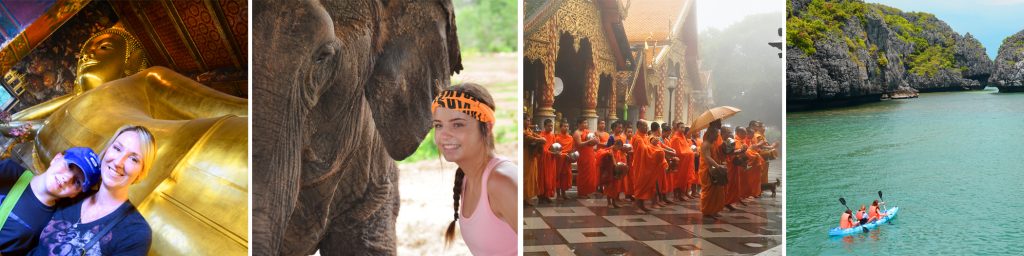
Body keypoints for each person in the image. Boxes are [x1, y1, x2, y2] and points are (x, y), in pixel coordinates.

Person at [29, 125, 156, 255]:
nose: (118, 162)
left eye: (133, 159)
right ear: (107, 150)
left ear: (141, 173)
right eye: (117, 148)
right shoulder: (75, 194)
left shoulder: (136, 232)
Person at [432, 84, 517, 255]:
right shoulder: (465, 177)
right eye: (438, 125)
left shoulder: (501, 182)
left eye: (457, 125)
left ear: (486, 127)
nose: (443, 135)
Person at [0, 147, 100, 255]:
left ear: (75, 194)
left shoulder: (51, 227)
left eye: (77, 182)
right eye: (69, 166)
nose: (67, 179)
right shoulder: (8, 170)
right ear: (56, 158)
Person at [699, 120, 730, 218]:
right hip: (707, 169)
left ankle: (714, 209)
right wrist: (718, 166)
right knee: (709, 192)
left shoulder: (713, 143)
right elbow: (707, 157)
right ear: (711, 134)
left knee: (718, 191)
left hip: (714, 168)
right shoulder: (706, 144)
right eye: (716, 134)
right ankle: (707, 211)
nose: (717, 136)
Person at [523, 115, 546, 206]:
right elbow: (528, 138)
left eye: (529, 121)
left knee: (532, 176)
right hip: (524, 155)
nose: (529, 122)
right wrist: (539, 139)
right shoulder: (522, 131)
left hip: (531, 155)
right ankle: (523, 197)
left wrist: (540, 139)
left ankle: (527, 197)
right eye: (527, 120)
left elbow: (535, 136)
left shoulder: (529, 130)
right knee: (525, 176)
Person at [573, 119, 599, 199]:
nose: (586, 124)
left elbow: (593, 141)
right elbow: (579, 144)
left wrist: (596, 140)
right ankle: (581, 192)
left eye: (586, 122)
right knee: (583, 173)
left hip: (590, 153)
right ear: (579, 124)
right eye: (584, 122)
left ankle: (587, 191)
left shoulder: (588, 132)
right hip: (582, 155)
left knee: (590, 172)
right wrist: (589, 141)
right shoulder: (577, 133)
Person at [554, 121, 575, 201]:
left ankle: (564, 193)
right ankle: (558, 194)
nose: (566, 128)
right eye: (564, 126)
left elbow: (572, 149)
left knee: (566, 176)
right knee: (559, 175)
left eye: (567, 126)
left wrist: (571, 155)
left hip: (567, 160)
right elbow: (555, 150)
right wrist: (562, 154)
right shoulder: (557, 138)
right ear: (560, 127)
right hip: (559, 160)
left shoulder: (570, 138)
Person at [538, 119, 556, 203]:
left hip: (551, 159)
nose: (550, 127)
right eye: (549, 126)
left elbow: (554, 146)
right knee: (543, 177)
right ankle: (541, 195)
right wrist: (551, 153)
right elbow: (543, 150)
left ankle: (547, 195)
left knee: (550, 177)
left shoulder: (552, 136)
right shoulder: (541, 136)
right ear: (544, 126)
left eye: (551, 126)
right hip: (543, 159)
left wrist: (557, 152)